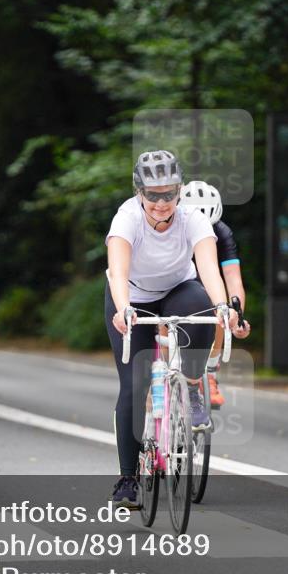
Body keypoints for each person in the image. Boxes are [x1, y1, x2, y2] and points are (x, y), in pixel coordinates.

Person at [105, 150, 238, 509]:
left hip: (180, 290)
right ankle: (128, 479)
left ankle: (192, 383)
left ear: (179, 191)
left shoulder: (192, 218)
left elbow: (209, 267)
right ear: (139, 192)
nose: (162, 203)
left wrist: (223, 308)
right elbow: (118, 271)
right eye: (153, 194)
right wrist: (123, 309)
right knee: (135, 384)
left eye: (169, 194)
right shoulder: (126, 218)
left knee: (203, 310)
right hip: (133, 297)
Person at [178, 180, 251, 407]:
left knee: (221, 311)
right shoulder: (171, 227)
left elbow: (232, 278)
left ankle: (209, 373)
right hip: (178, 280)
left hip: (209, 282)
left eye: (209, 227)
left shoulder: (223, 233)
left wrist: (237, 314)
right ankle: (160, 375)